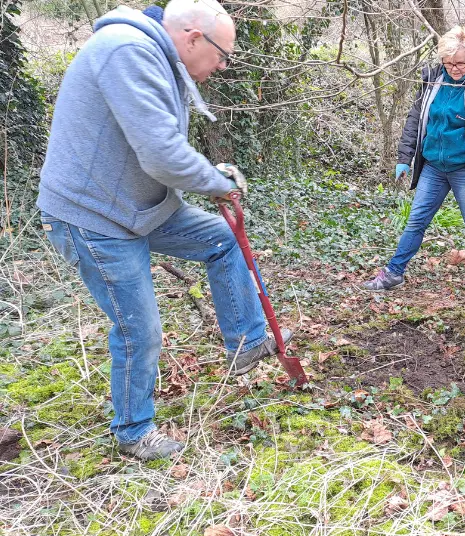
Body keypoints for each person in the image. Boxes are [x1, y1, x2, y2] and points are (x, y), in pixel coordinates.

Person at [37, 0, 290, 461]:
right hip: (93, 216)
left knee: (221, 239)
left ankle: (248, 342)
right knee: (140, 328)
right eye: (221, 55)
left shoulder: (156, 54)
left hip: (138, 206)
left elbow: (158, 143)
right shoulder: (126, 50)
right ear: (194, 37)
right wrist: (212, 181)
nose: (221, 66)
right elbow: (160, 153)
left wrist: (206, 175)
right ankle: (134, 430)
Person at [363, 26, 465, 290]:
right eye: (449, 63)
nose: (455, 69)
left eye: (460, 63)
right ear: (441, 61)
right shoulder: (432, 81)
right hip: (433, 167)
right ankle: (394, 273)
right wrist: (404, 158)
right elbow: (415, 121)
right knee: (416, 220)